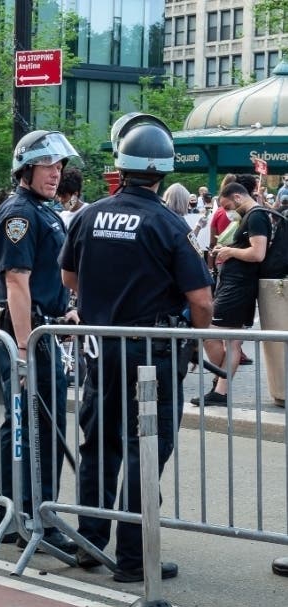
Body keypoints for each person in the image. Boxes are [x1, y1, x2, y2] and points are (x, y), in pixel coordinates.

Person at [60, 113, 215, 582]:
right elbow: (202, 299)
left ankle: (90, 542)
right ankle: (133, 558)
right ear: (163, 170)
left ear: (120, 166)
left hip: (100, 347)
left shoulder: (87, 215)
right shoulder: (168, 224)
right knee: (147, 447)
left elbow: (69, 277)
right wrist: (194, 337)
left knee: (99, 444)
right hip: (152, 352)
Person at [0, 129, 81, 554]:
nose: (56, 173)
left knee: (42, 426)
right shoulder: (20, 214)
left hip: (44, 331)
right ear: (26, 169)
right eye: (48, 166)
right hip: (28, 335)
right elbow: (17, 283)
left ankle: (31, 512)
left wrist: (64, 312)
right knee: (29, 427)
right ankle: (22, 515)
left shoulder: (43, 211)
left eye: (60, 166)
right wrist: (24, 349)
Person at [195, 181, 271, 407]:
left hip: (237, 287)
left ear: (238, 197)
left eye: (228, 205)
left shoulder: (255, 216)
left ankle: (220, 380)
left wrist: (229, 251)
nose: (228, 210)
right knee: (233, 342)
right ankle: (220, 390)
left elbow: (258, 253)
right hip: (238, 286)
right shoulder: (253, 215)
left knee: (208, 331)